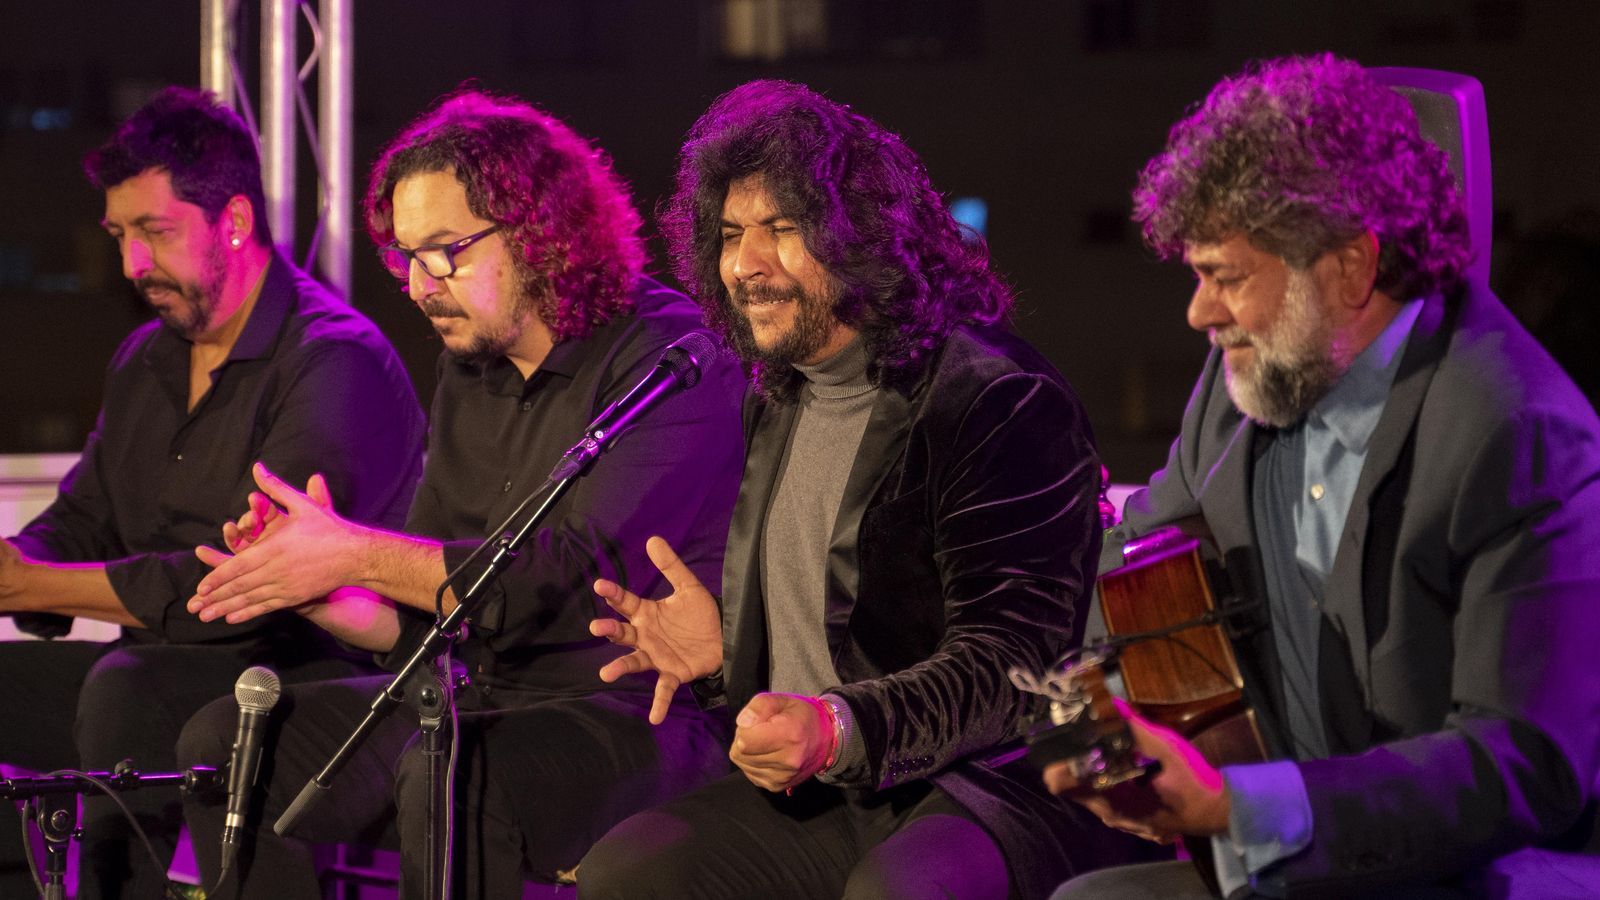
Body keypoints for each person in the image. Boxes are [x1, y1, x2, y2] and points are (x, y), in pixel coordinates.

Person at [577, 79, 1155, 900]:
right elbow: (833, 643)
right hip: (842, 785)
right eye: (733, 233)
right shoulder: (777, 393)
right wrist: (723, 660)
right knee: (626, 871)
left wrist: (838, 726)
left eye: (783, 229)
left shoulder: (995, 397)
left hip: (996, 781)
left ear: (863, 235)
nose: (744, 264)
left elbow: (1014, 664)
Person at [1047, 55, 1600, 898]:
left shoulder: (1517, 430)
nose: (1198, 313)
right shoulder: (1244, 381)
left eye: (1225, 278)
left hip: (1471, 874)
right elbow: (1134, 560)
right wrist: (1115, 726)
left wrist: (1242, 802)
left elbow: (1525, 761)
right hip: (1300, 861)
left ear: (1349, 267)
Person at [178, 89, 746, 898]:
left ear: (542, 233)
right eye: (405, 256)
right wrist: (328, 593)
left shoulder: (669, 360)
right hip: (472, 694)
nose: (417, 285)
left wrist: (355, 550)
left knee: (453, 775)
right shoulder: (468, 363)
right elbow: (442, 599)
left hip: (632, 716)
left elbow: (557, 572)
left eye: (443, 250)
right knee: (233, 741)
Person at [0, 87, 425, 898]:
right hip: (151, 668)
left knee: (126, 688)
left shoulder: (334, 360)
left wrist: (29, 585)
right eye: (120, 235)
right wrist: (17, 565)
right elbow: (84, 520)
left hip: (303, 670)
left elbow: (249, 582)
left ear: (232, 221)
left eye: (154, 233)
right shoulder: (142, 360)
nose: (130, 265)